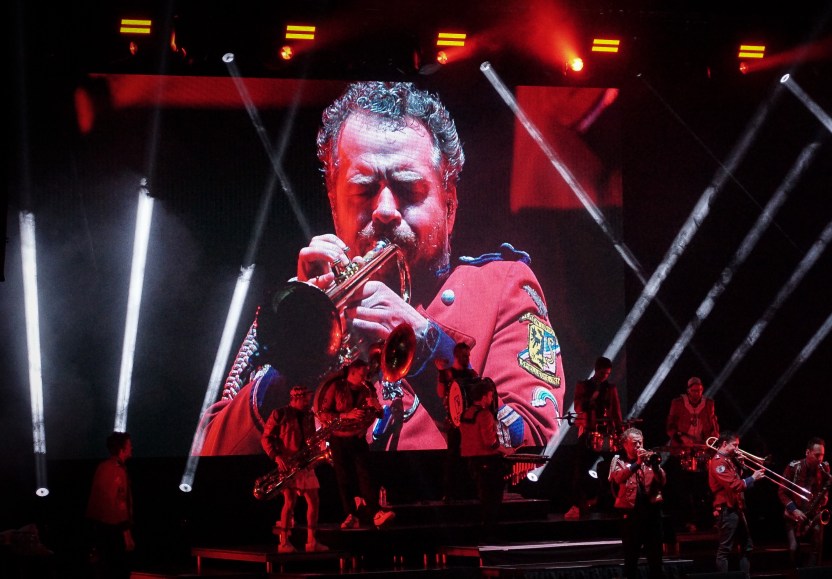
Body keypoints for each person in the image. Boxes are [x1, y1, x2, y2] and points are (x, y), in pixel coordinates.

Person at [198, 80, 565, 455]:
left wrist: (426, 346)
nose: (385, 210)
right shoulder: (297, 308)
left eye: (407, 189)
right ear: (334, 205)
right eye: (364, 189)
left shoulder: (501, 287)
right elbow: (211, 457)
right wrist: (294, 358)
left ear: (450, 204)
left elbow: (535, 450)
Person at [317, 359, 392, 529]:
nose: (366, 378)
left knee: (366, 475)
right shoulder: (337, 387)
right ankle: (350, 515)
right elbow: (323, 413)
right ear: (352, 373)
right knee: (343, 478)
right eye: (362, 375)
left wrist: (376, 407)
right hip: (339, 438)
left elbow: (380, 415)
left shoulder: (368, 389)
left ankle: (375, 512)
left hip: (358, 437)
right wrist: (345, 415)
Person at [260, 384, 328, 553]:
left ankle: (311, 541)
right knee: (289, 502)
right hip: (289, 464)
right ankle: (284, 542)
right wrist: (277, 456)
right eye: (306, 398)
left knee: (314, 501)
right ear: (297, 398)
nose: (308, 401)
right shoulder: (280, 414)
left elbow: (310, 437)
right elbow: (266, 438)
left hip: (305, 463)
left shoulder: (309, 415)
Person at [565, 356, 622, 519]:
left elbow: (616, 411)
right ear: (596, 371)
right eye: (603, 373)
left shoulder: (610, 388)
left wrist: (619, 431)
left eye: (608, 374)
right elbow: (578, 406)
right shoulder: (583, 386)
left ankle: (610, 503)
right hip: (588, 432)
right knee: (579, 471)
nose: (605, 376)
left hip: (606, 434)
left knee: (613, 468)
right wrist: (590, 400)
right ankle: (578, 505)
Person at [608, 427, 667, 579]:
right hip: (631, 515)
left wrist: (655, 466)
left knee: (655, 558)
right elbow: (618, 478)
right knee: (631, 557)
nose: (639, 446)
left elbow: (662, 481)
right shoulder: (619, 461)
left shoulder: (650, 459)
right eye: (635, 443)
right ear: (625, 444)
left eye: (640, 442)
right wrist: (636, 464)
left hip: (652, 514)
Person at [460, 377, 514, 539]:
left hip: (471, 461)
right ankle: (490, 532)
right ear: (484, 396)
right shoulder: (485, 415)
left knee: (481, 497)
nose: (491, 399)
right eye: (490, 396)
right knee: (492, 498)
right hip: (487, 461)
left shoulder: (466, 413)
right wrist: (507, 450)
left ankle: (482, 531)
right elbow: (490, 443)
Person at [664, 376, 719, 532]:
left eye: (699, 391)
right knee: (683, 487)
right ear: (688, 391)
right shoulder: (678, 403)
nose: (696, 394)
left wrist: (710, 442)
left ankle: (706, 520)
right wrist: (681, 437)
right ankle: (687, 521)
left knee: (703, 487)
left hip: (701, 451)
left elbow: (714, 428)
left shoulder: (708, 404)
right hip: (682, 451)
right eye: (694, 391)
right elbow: (670, 427)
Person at [707, 430, 765, 575]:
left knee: (747, 546)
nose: (738, 449)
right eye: (735, 445)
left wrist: (741, 465)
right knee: (725, 549)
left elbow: (737, 479)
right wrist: (753, 478)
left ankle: (745, 576)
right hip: (726, 510)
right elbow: (734, 485)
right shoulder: (718, 462)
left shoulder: (728, 460)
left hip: (736, 507)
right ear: (724, 444)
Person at [85, 431, 135, 579]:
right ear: (122, 449)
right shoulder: (116, 470)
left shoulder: (103, 467)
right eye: (129, 445)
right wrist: (126, 534)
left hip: (101, 529)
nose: (132, 448)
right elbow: (117, 504)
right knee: (117, 569)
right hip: (113, 532)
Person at [778, 436, 832, 568]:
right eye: (817, 455)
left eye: (822, 455)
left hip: (813, 514)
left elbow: (825, 486)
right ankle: (795, 572)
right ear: (807, 452)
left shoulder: (824, 468)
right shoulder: (793, 467)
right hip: (794, 514)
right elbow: (781, 492)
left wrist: (825, 497)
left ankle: (811, 573)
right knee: (793, 548)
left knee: (816, 548)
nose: (820, 459)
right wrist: (793, 510)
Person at [437, 342, 479, 502]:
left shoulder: (472, 374)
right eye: (464, 356)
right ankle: (450, 492)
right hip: (454, 423)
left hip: (470, 423)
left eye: (468, 355)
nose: (467, 358)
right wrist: (441, 373)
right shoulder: (448, 373)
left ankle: (471, 491)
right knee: (453, 457)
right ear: (456, 356)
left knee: (471, 457)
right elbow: (441, 393)